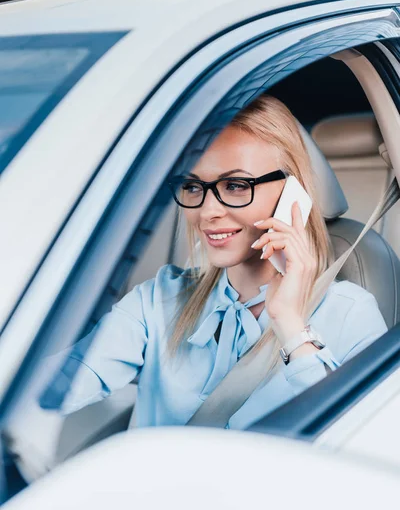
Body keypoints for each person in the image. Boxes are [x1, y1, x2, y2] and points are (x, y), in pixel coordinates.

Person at [40, 94, 387, 430]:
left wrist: (291, 326)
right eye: (193, 186)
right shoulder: (159, 300)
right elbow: (54, 386)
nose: (207, 212)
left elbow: (362, 446)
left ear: (292, 193)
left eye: (236, 185)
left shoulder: (350, 312)